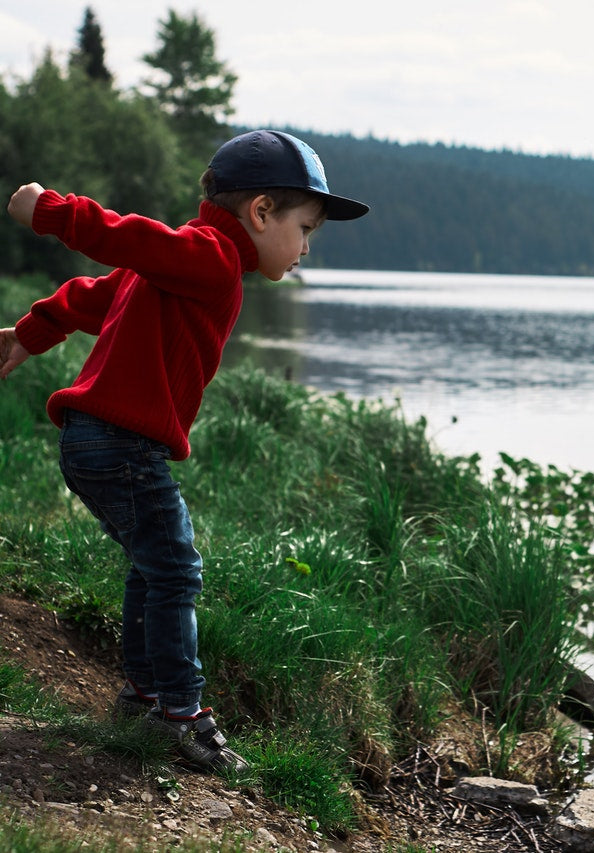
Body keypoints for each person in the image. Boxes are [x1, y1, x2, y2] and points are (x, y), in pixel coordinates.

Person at [0, 130, 369, 773]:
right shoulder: (207, 257)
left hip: (96, 442)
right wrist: (51, 211)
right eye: (305, 227)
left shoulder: (190, 264)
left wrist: (33, 332)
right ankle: (184, 715)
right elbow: (129, 237)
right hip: (121, 444)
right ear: (260, 213)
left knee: (154, 566)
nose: (306, 246)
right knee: (175, 569)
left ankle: (145, 699)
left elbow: (99, 293)